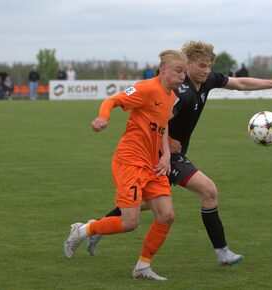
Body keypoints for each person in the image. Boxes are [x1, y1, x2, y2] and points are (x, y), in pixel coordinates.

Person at [90, 40, 272, 267]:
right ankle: (222, 252)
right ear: (187, 65)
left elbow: (240, 82)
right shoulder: (181, 92)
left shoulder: (207, 80)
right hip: (162, 156)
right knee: (208, 191)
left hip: (168, 155)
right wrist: (168, 145)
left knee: (143, 203)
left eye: (209, 66)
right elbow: (161, 118)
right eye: (201, 66)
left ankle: (98, 227)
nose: (206, 71)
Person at [63, 49, 188, 281]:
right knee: (130, 222)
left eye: (184, 72)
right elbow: (112, 100)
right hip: (130, 161)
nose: (182, 76)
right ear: (163, 69)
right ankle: (83, 230)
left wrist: (166, 154)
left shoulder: (171, 96)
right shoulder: (146, 88)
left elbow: (161, 125)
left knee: (167, 215)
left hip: (153, 164)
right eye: (178, 71)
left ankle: (142, 267)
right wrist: (104, 117)